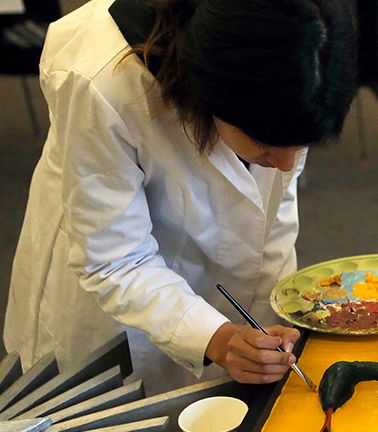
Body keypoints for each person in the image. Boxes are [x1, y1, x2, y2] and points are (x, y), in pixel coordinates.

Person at [4, 0, 356, 395]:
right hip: (112, 310)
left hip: (215, 280)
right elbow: (116, 259)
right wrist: (217, 339)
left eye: (301, 146)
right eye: (264, 142)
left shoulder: (292, 59)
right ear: (211, 91)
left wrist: (265, 320)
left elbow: (270, 212)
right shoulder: (103, 83)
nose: (287, 166)